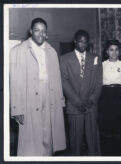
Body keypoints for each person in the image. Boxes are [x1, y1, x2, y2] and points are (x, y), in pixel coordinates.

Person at [9, 18, 66, 156]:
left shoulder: (51, 51)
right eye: (37, 30)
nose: (40, 34)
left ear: (46, 33)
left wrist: (60, 102)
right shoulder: (18, 51)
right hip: (28, 96)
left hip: (49, 94)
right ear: (30, 31)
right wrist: (16, 108)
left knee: (48, 136)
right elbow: (15, 81)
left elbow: (57, 79)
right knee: (30, 139)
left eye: (43, 31)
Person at [60, 29, 102, 156]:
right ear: (75, 42)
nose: (83, 44)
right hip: (74, 107)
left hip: (91, 106)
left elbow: (99, 82)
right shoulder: (64, 59)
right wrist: (78, 102)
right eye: (80, 41)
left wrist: (91, 100)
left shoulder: (95, 58)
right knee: (75, 144)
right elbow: (64, 82)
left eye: (85, 42)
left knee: (92, 142)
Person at [98, 40, 121, 156]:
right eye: (111, 50)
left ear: (119, 51)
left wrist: (117, 97)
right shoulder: (102, 65)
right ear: (107, 52)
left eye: (116, 50)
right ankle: (106, 155)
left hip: (118, 96)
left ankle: (117, 154)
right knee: (105, 127)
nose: (114, 52)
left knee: (118, 128)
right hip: (105, 96)